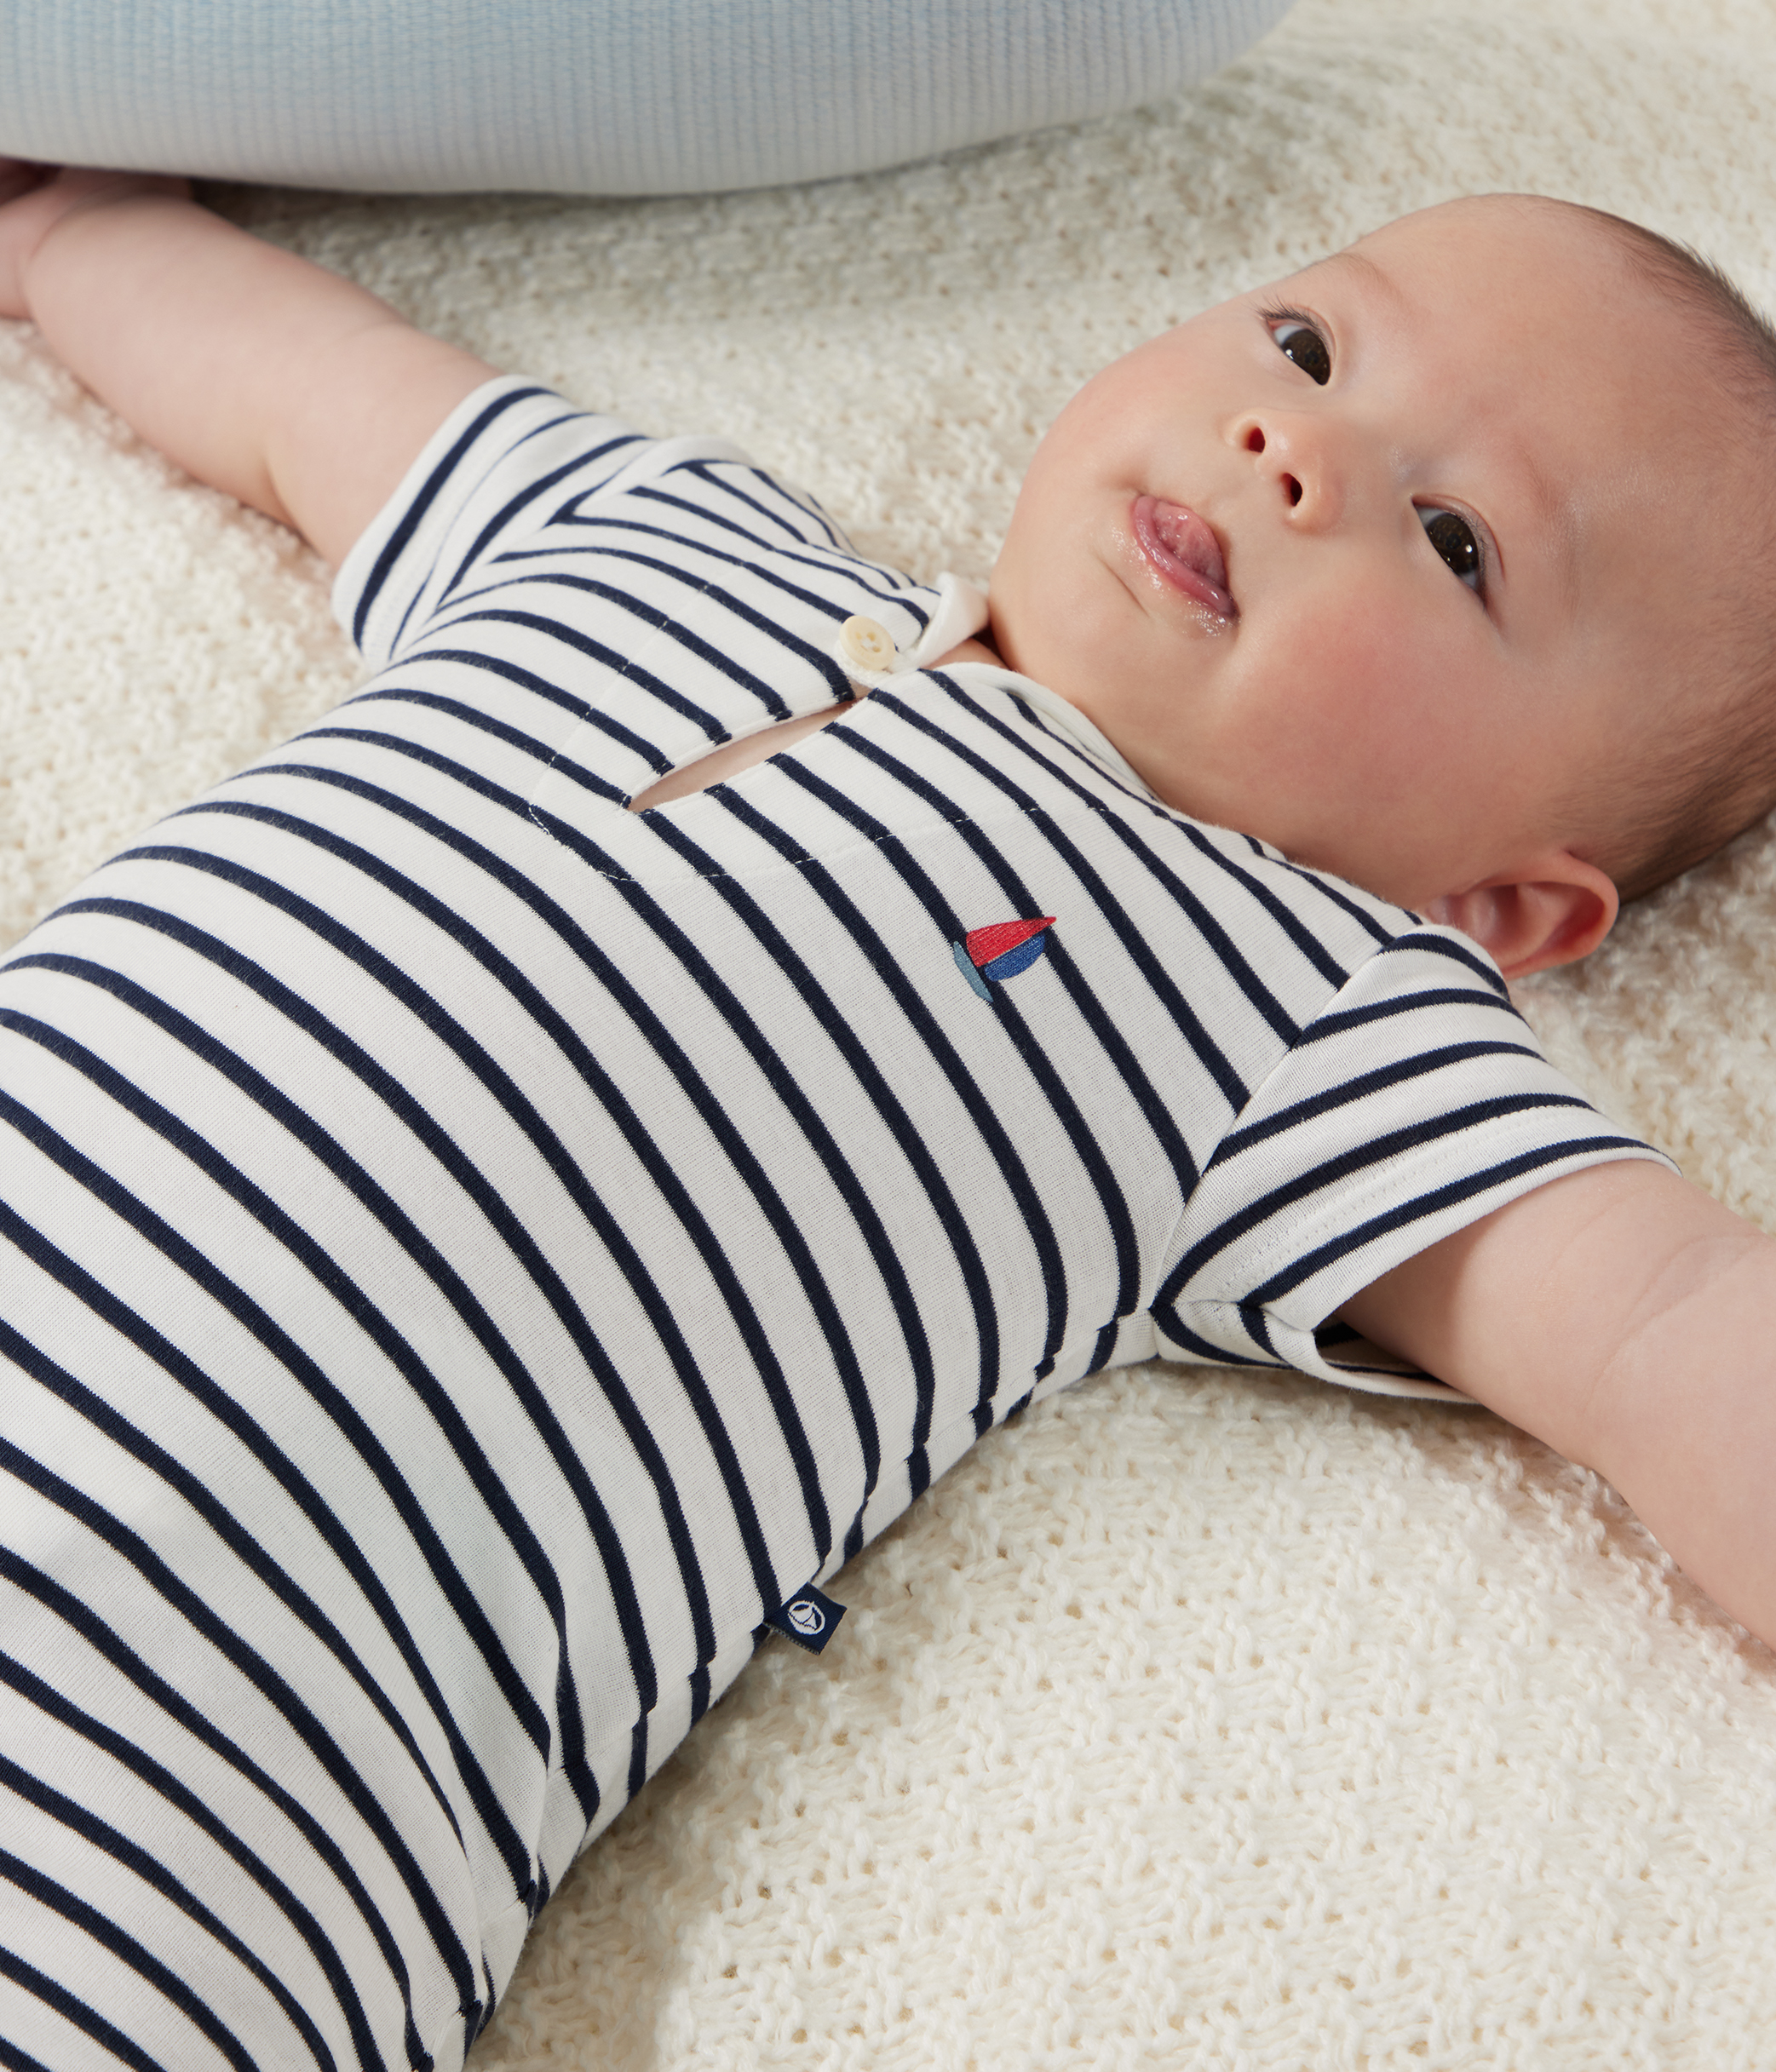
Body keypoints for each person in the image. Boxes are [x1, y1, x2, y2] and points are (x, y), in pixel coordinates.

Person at [2, 163, 1774, 2065]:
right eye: (1303, 342)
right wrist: (62, 235)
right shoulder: (667, 537)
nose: (1293, 451)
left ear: (1505, 907)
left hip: (200, 1778)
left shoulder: (1303, 1000)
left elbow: (1667, 1329)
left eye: (1450, 541)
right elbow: (316, 386)